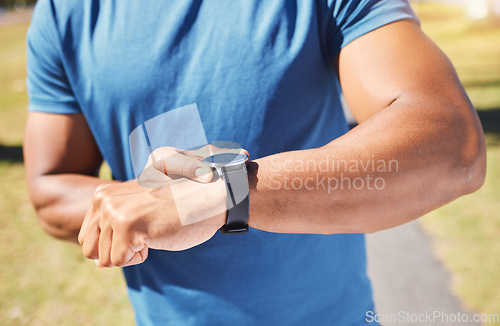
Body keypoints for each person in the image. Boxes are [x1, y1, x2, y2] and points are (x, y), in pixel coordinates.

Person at [23, 0, 486, 325]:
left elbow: (452, 144)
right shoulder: (66, 12)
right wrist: (144, 202)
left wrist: (218, 195)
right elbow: (50, 188)